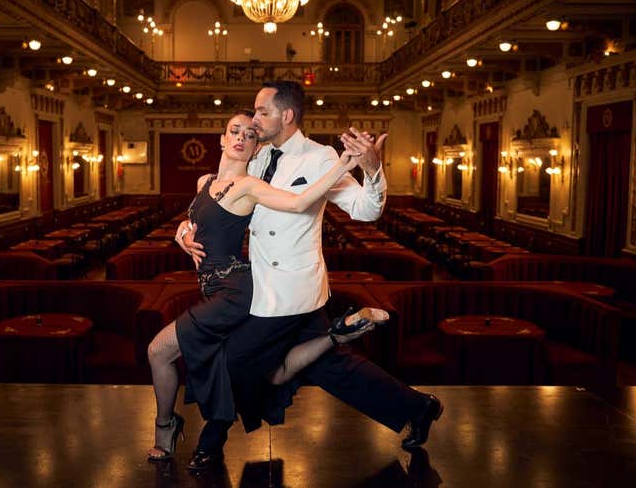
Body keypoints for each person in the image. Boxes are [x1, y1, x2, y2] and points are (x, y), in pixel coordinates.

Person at [177, 81, 443, 471]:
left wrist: (372, 169)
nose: (253, 119)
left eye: (260, 112)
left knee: (232, 359)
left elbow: (366, 210)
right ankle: (420, 407)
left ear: (286, 116)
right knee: (329, 364)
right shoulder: (255, 154)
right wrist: (184, 230)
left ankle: (211, 441)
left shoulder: (321, 158)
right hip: (258, 284)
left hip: (294, 287)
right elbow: (213, 201)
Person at [147, 110, 389, 462]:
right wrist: (180, 232)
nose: (242, 138)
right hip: (212, 289)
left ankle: (166, 425)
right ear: (222, 138)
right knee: (270, 371)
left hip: (235, 291)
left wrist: (343, 164)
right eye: (235, 131)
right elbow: (197, 219)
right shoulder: (205, 182)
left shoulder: (250, 186)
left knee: (158, 351)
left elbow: (300, 202)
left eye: (250, 135)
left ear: (255, 148)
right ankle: (336, 334)